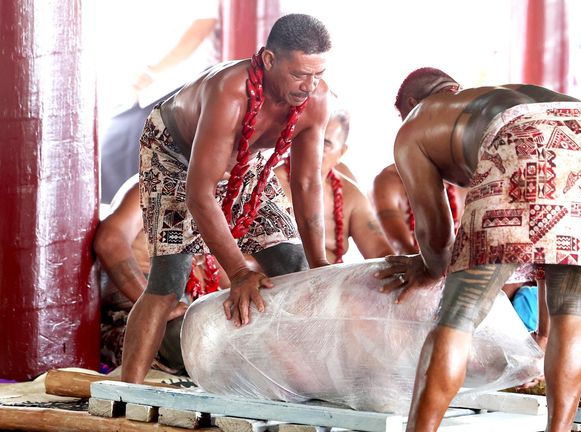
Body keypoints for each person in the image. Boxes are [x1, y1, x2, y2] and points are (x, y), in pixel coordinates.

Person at [375, 68, 581, 432]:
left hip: (518, 137)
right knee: (572, 305)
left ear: (409, 104)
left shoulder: (414, 123)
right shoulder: (485, 96)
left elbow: (435, 230)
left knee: (459, 314)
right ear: (453, 89)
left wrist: (429, 268)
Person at [121, 13, 332, 384]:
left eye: (317, 74)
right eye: (299, 74)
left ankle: (298, 384)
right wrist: (238, 273)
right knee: (169, 279)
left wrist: (320, 267)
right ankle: (126, 390)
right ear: (269, 60)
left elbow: (307, 185)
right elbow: (200, 194)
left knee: (294, 266)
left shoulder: (316, 100)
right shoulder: (229, 92)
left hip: (244, 161)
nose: (309, 86)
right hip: (174, 157)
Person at [95, 176, 230, 372]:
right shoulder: (153, 183)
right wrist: (154, 308)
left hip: (192, 321)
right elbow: (109, 240)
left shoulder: (216, 196)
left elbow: (228, 282)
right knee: (190, 334)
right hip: (137, 326)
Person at [98, 0, 221, 203]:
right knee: (113, 147)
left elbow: (200, 27)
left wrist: (154, 71)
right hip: (142, 93)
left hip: (180, 84)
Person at [275, 109, 394, 263]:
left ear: (341, 152)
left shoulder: (351, 195)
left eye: (325, 143)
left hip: (333, 282)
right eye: (306, 136)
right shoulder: (269, 186)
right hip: (280, 282)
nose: (313, 147)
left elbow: (380, 252)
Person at [373, 68, 466, 254]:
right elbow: (405, 248)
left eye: (405, 119)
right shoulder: (389, 180)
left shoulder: (472, 162)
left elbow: (440, 244)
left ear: (413, 106)